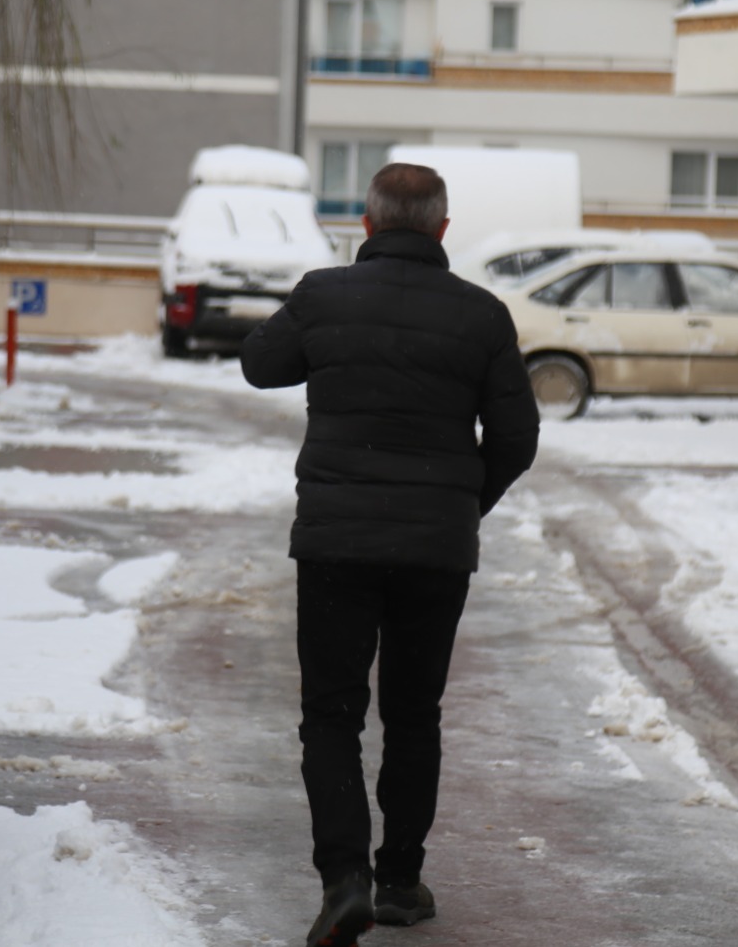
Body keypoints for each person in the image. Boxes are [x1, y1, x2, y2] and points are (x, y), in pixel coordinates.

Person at [240, 162, 540, 947]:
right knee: (414, 712)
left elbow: (259, 364)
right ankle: (401, 880)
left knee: (331, 713)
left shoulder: (322, 295)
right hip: (435, 553)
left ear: (366, 226)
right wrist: (461, 505)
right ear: (443, 230)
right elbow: (517, 438)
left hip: (336, 543)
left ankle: (346, 881)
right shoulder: (482, 316)